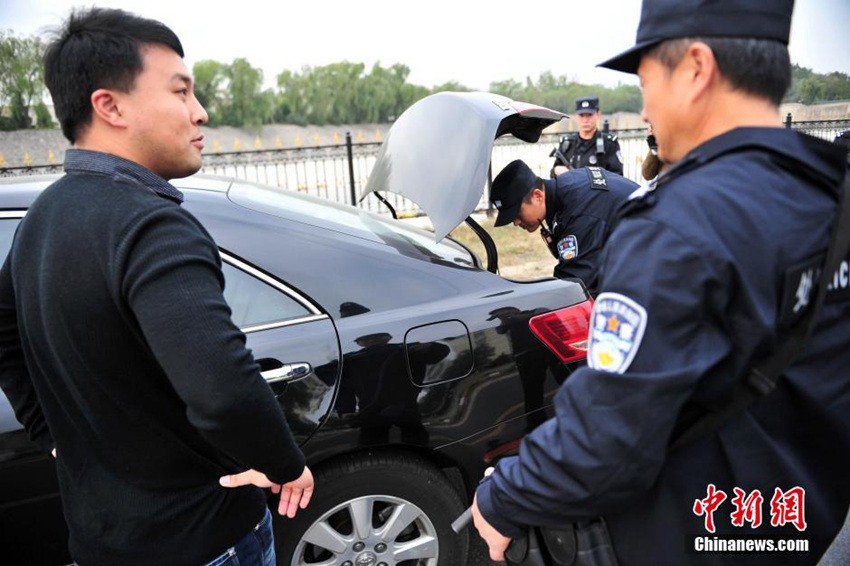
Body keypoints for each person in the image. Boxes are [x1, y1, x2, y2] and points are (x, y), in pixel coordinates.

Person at [472, 0, 850, 565]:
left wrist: (504, 497)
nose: (645, 110)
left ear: (696, 69)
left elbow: (609, 433)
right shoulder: (830, 191)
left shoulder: (677, 225)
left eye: (647, 80)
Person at [0, 9, 313, 566]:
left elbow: (3, 332)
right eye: (181, 91)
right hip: (202, 541)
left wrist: (50, 429)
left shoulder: (43, 214)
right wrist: (287, 464)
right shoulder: (149, 224)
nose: (201, 112)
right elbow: (221, 388)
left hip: (100, 541)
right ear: (110, 106)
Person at [489, 159, 638, 295]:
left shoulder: (580, 210)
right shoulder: (566, 186)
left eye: (517, 213)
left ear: (538, 196)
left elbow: (576, 284)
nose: (515, 222)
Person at [551, 96, 624, 176]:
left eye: (589, 115)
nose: (585, 120)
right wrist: (557, 170)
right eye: (581, 115)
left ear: (598, 114)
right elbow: (553, 176)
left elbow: (618, 176)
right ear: (576, 116)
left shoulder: (609, 144)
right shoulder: (567, 144)